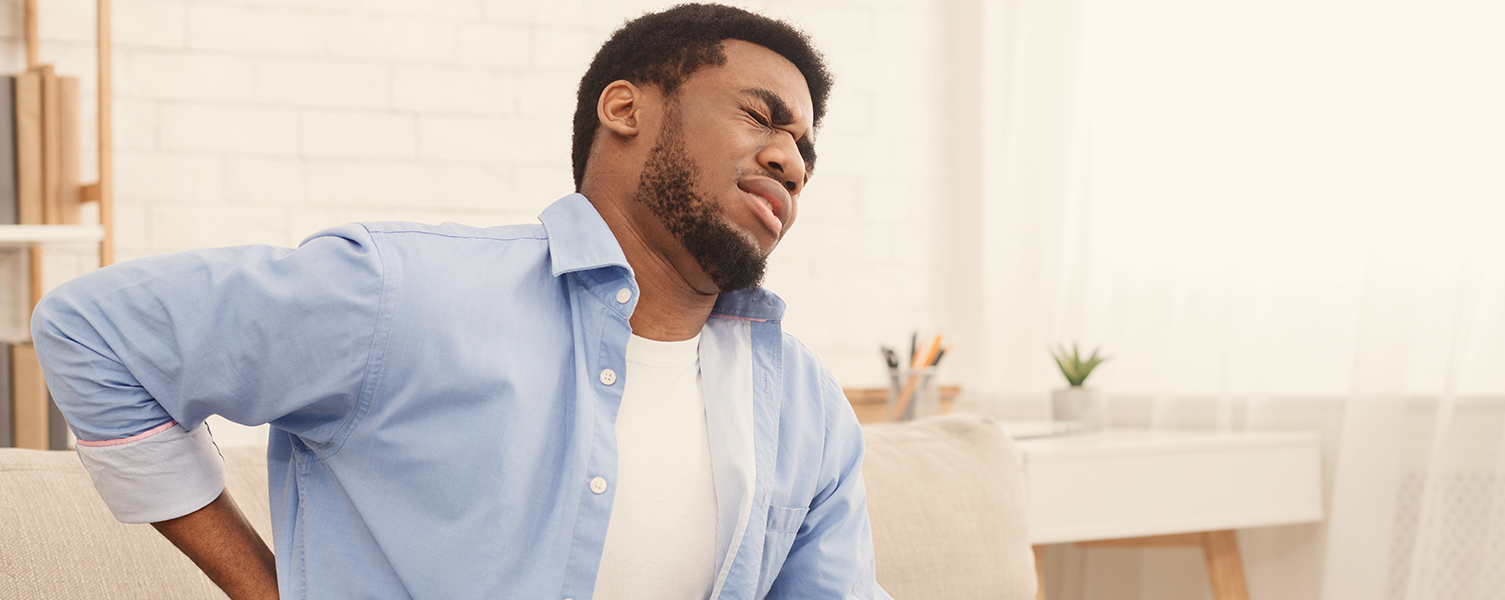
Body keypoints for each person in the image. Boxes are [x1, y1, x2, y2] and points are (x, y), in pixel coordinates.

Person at [31, 4, 892, 599]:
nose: (792, 159)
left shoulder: (807, 409)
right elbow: (90, 334)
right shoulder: (406, 296)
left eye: (806, 148)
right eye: (761, 115)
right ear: (626, 108)